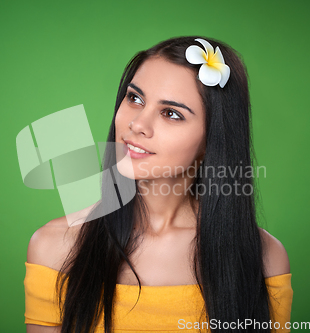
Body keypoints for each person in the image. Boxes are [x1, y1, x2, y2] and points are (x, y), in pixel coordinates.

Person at [24, 36, 292, 333]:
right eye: (135, 98)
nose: (137, 124)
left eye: (171, 114)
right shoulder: (54, 246)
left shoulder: (263, 256)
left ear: (210, 142)